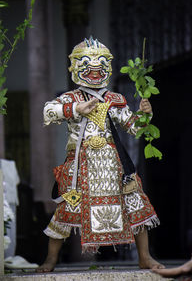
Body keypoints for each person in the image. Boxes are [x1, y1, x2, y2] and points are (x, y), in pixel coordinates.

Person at [36, 37, 164, 273]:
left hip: (113, 164)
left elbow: (133, 127)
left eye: (100, 64)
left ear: (108, 67)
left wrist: (145, 115)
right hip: (80, 167)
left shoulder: (115, 99)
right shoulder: (71, 98)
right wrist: (76, 109)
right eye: (87, 63)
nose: (95, 69)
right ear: (74, 67)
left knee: (135, 203)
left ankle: (144, 257)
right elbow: (48, 111)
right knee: (67, 209)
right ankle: (51, 259)